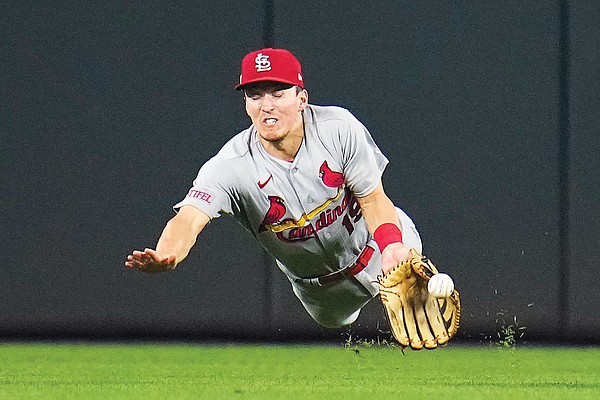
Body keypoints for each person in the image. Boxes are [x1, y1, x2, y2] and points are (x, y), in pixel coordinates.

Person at [125, 48, 423, 329]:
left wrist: (391, 245)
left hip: (377, 249)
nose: (267, 105)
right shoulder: (232, 166)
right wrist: (167, 253)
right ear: (246, 105)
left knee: (414, 279)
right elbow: (188, 218)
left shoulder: (338, 128)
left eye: (278, 94)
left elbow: (372, 199)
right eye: (255, 96)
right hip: (323, 292)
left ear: (301, 99)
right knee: (339, 322)